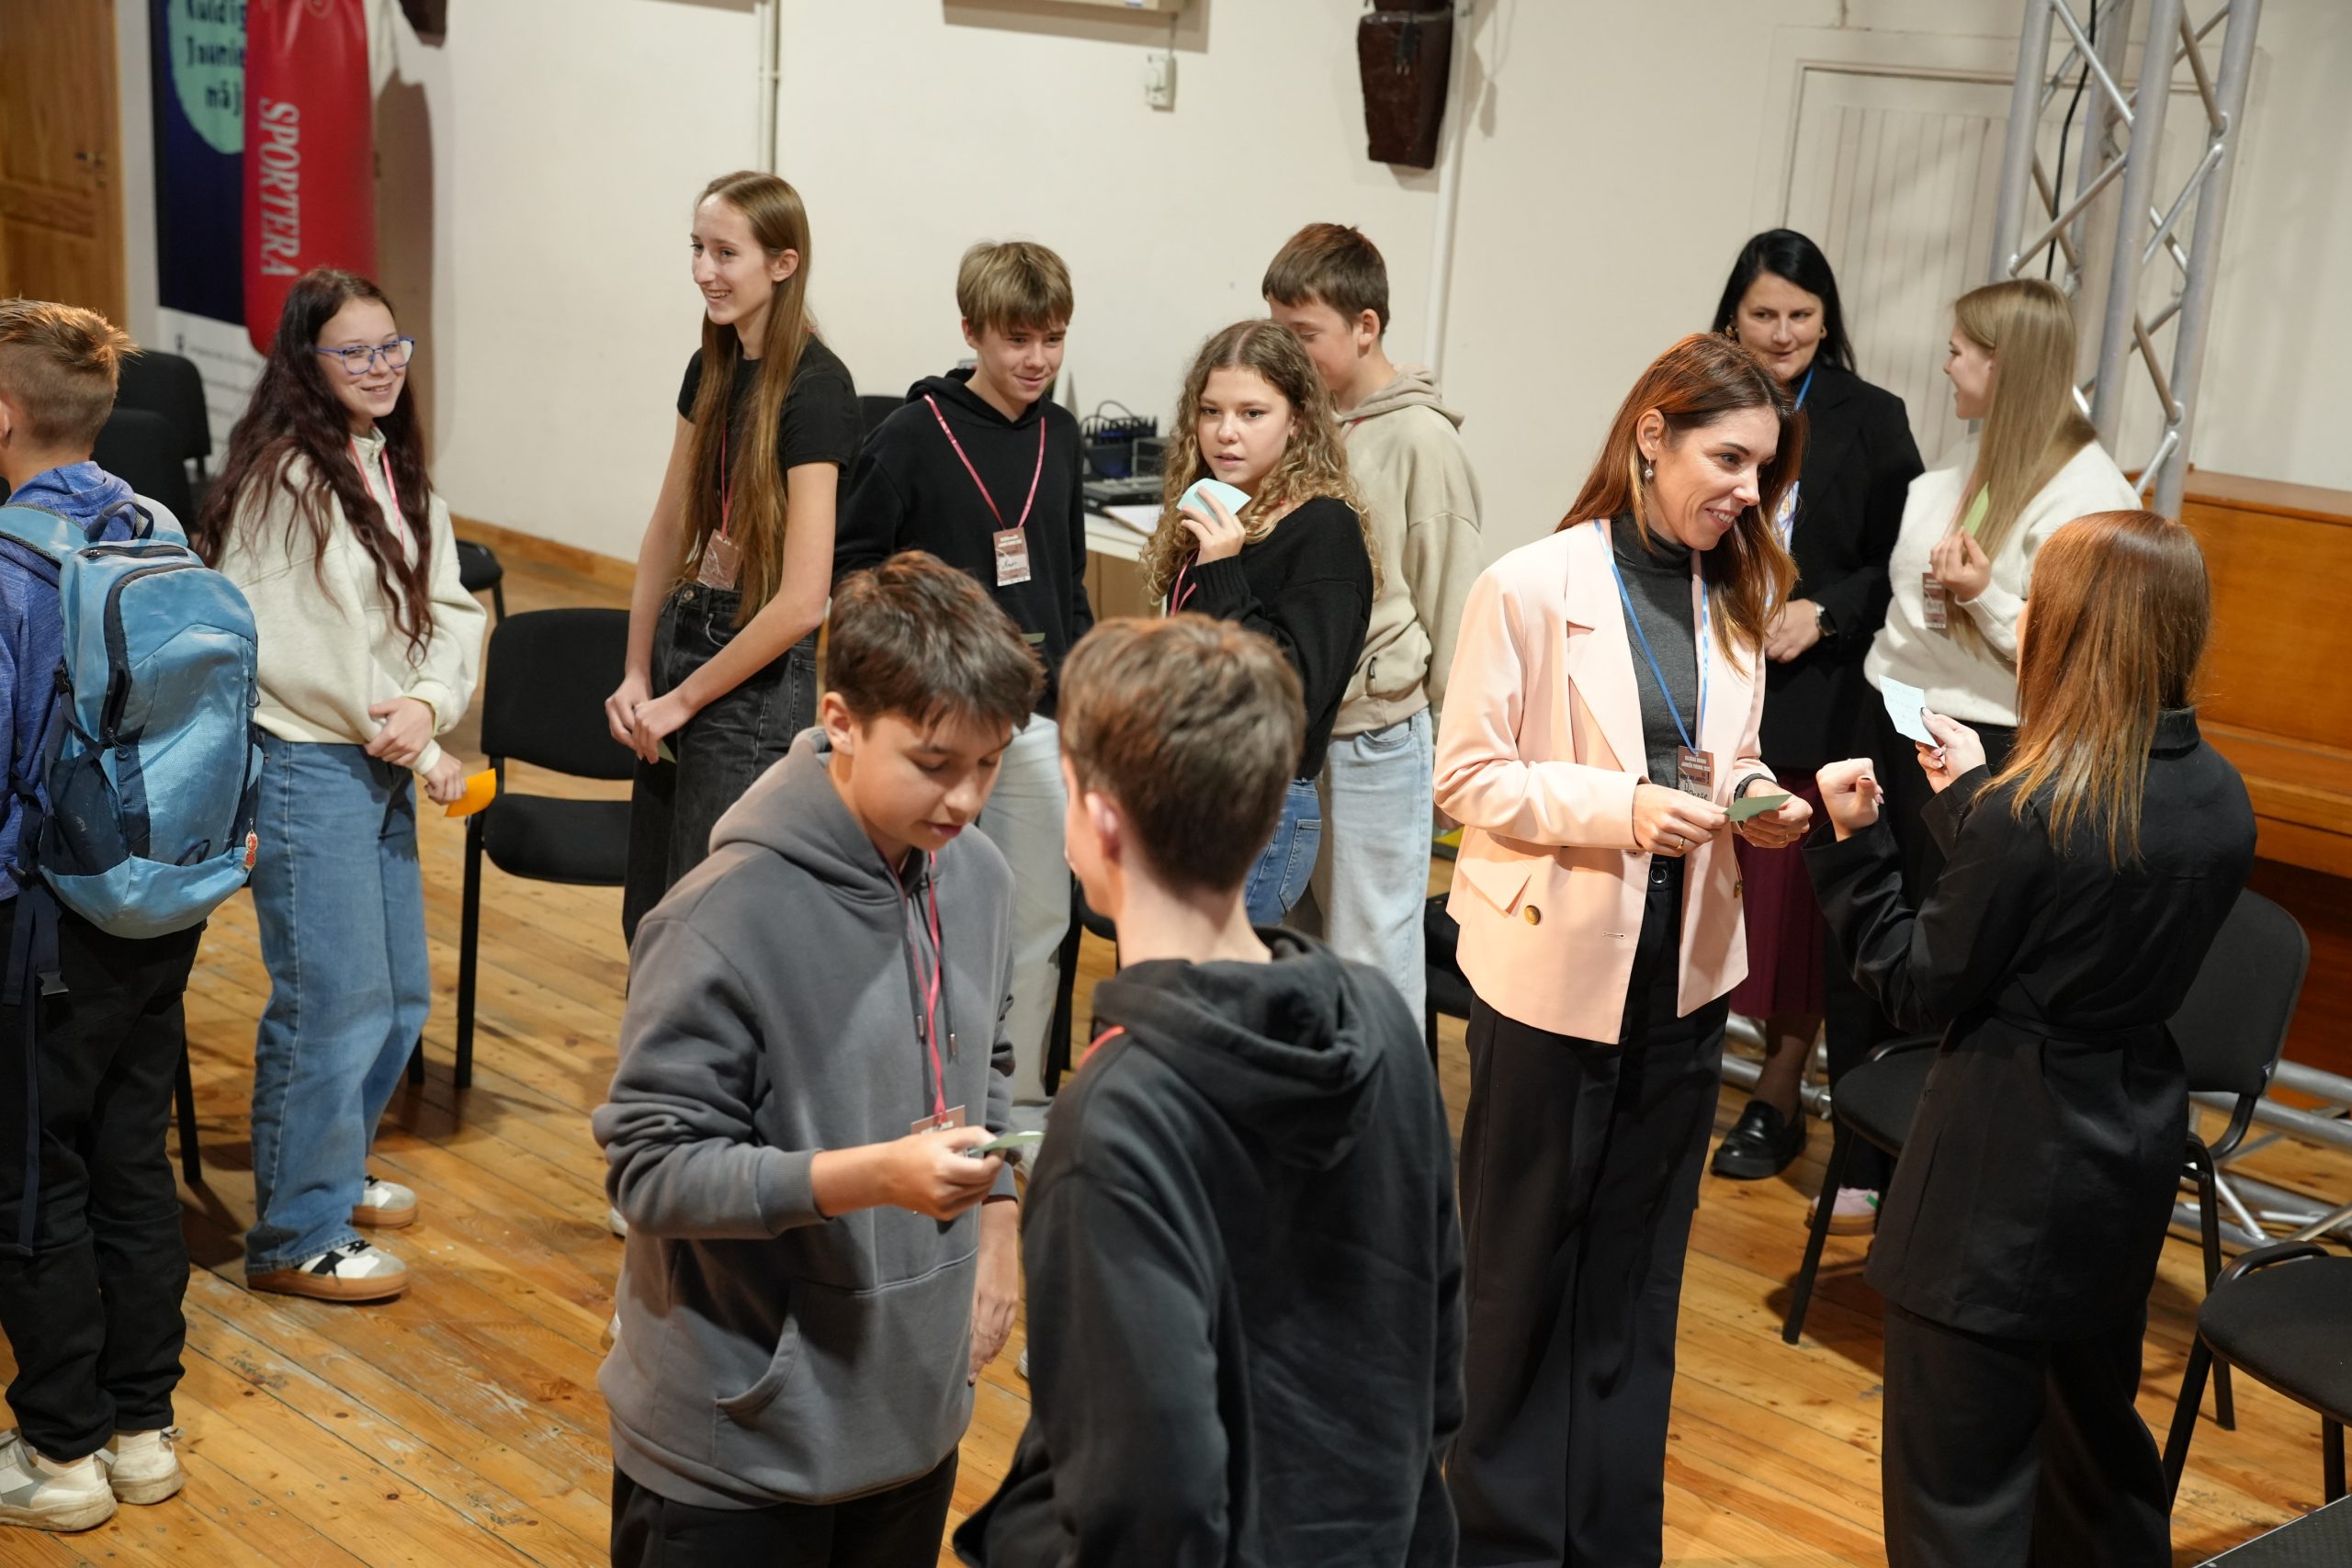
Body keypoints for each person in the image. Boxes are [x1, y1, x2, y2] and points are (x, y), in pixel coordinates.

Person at [953, 614, 1461, 1567]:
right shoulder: (1382, 1022)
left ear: (1099, 822)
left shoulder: (1115, 1123)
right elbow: (1437, 1357)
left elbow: (1152, 1500)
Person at [1805, 510, 2255, 1568]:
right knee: (2092, 1472)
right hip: (2123, 1155)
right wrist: (1973, 795)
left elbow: (1916, 983)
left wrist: (1853, 846)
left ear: (2069, 628)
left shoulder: (2037, 809)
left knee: (1956, 1507)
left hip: (1997, 1176)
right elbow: (2076, 908)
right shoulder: (2218, 797)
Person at [1434, 333, 1814, 1565]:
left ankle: (1608, 1536)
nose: (1748, 491)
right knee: (1520, 1272)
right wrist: (1624, 812)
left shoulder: (1734, 597)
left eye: (1762, 469)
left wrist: (1768, 798)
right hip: (1551, 975)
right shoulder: (1528, 584)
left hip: (1685, 978)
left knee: (1639, 1278)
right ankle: (1501, 1538)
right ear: (1653, 435)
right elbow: (1467, 779)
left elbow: (1722, 758)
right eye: (1729, 459)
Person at [594, 551, 1039, 1567]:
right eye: (934, 762)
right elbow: (650, 1170)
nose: (965, 798)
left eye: (988, 763)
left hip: (913, 1423)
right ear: (840, 720)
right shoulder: (721, 915)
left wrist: (999, 1224)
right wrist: (872, 1177)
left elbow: (990, 1055)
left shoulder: (977, 876)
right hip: (738, 1455)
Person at [1825, 276, 2139, 1233]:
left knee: (1944, 952)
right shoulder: (1970, 457)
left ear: (2003, 365)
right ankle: (1856, 1156)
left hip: (1987, 739)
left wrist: (1987, 599)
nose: (1946, 364)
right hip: (1894, 710)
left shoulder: (2091, 494)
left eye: (1961, 350)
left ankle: (1927, 1173)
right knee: (1861, 925)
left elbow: (2079, 649)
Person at [195, 268, 483, 1304]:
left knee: (397, 997)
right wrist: (417, 741)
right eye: (353, 352)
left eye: (390, 346)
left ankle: (326, 1168)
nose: (379, 367)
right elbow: (298, 648)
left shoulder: (390, 465)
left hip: (376, 755)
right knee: (332, 1003)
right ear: (306, 365)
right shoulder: (285, 478)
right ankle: (294, 1232)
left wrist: (429, 705)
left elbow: (450, 610)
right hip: (307, 763)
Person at [0, 303, 208, 1531]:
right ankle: (142, 1430)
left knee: (35, 1177)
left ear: (5, 416)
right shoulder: (160, 527)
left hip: (43, 920)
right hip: (160, 901)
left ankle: (61, 1451)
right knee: (133, 1163)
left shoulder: (11, 566)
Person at [838, 240, 1091, 1134]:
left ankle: (1013, 1108)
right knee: (921, 910)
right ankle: (908, 1100)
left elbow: (1068, 582)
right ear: (972, 331)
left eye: (1052, 338)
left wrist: (1079, 696)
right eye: (1017, 339)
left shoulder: (1062, 436)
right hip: (937, 720)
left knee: (1036, 919)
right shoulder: (911, 437)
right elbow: (853, 575)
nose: (1036, 359)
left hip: (1037, 718)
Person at [1702, 230, 1925, 1186]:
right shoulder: (1698, 399)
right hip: (1711, 682)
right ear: (1733, 318)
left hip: (1816, 699)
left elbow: (1900, 561)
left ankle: (1779, 1091)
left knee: (1791, 909)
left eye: (1801, 314)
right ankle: (1691, 1067)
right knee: (1715, 882)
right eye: (1765, 314)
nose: (1783, 332)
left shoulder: (1871, 417)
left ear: (1827, 320)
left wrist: (1823, 611)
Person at [607, 170, 861, 944]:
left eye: (725, 253)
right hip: (684, 642)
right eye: (697, 248)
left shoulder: (818, 388)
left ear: (783, 264)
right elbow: (667, 527)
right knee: (651, 915)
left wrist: (683, 702)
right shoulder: (711, 363)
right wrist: (638, 672)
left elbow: (804, 602)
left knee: (707, 925)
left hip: (754, 675)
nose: (703, 271)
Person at [1263, 221, 1483, 1030]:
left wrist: (1454, 753)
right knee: (1298, 947)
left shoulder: (1421, 440)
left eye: (1302, 334)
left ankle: (1386, 1108)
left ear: (1365, 327)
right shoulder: (1303, 423)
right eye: (1276, 330)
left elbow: (1454, 607)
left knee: (1373, 956)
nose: (1284, 353)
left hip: (1375, 735)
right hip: (1303, 732)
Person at [1137, 321, 1374, 926]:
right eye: (1211, 411)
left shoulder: (1325, 529)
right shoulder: (1222, 507)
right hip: (1186, 785)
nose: (1226, 432)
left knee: (1212, 981)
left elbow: (1294, 691)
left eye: (1251, 413)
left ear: (1297, 420)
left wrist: (1222, 570)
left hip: (1257, 804)